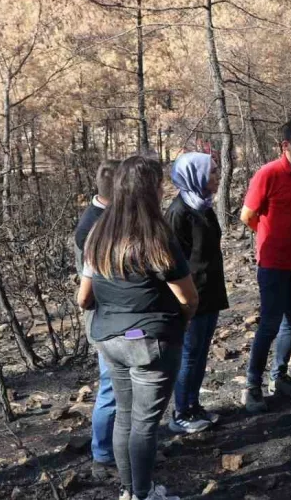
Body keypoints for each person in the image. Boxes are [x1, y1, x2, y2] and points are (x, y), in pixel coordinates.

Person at [78, 156, 199, 500]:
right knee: (144, 424)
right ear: (151, 190)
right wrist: (178, 323)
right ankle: (144, 494)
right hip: (150, 343)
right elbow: (188, 298)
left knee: (125, 418)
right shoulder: (157, 236)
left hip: (110, 340)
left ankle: (130, 491)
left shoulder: (97, 234)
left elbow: (83, 297)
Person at [239, 119, 291, 413]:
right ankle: (252, 385)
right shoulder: (268, 174)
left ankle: (279, 376)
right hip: (273, 264)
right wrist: (268, 240)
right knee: (270, 323)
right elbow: (247, 215)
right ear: (285, 145)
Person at [165, 152, 228, 434]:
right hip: (191, 297)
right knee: (190, 354)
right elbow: (173, 263)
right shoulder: (179, 213)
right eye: (212, 171)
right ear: (196, 176)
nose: (217, 175)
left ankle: (193, 404)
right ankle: (181, 413)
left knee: (202, 352)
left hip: (210, 291)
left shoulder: (204, 206)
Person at [73, 159, 120, 481]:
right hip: (105, 319)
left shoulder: (106, 217)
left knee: (124, 390)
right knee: (112, 390)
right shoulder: (94, 225)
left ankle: (123, 449)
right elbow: (87, 291)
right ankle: (103, 457)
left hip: (114, 318)